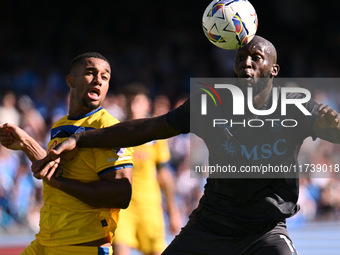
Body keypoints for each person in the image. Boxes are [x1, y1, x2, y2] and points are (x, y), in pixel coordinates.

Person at [32, 36, 340, 255]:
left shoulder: (296, 108)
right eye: (239, 58)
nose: (246, 63)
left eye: (255, 58)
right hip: (211, 225)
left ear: (273, 70)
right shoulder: (211, 104)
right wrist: (82, 137)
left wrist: (334, 126)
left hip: (266, 230)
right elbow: (148, 128)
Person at [0, 52, 134, 255]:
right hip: (44, 242)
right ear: (70, 80)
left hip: (81, 247)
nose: (98, 80)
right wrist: (26, 143)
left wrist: (61, 183)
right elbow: (53, 172)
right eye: (90, 73)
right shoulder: (60, 126)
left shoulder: (108, 128)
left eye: (105, 77)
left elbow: (121, 195)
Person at [113, 83, 181, 255]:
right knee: (119, 249)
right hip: (121, 207)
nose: (134, 107)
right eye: (131, 102)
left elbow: (164, 173)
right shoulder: (114, 134)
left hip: (149, 206)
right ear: (125, 104)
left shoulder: (156, 136)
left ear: (147, 105)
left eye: (138, 102)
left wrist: (173, 209)